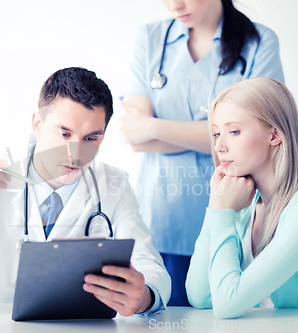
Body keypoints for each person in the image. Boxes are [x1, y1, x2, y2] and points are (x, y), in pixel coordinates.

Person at [0, 67, 171, 316]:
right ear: (37, 123)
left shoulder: (114, 184)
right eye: (64, 133)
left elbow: (149, 265)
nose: (76, 153)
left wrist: (144, 296)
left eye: (91, 138)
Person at [120, 0, 284, 306]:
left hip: (236, 211)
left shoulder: (259, 42)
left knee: (227, 313)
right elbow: (136, 138)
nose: (174, 5)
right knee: (165, 318)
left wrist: (153, 127)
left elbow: (262, 131)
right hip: (163, 214)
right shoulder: (149, 38)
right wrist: (227, 131)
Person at [185, 77, 298, 318]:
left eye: (234, 131)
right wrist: (216, 204)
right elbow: (199, 295)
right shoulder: (244, 202)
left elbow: (227, 304)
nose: (219, 146)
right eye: (216, 134)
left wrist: (223, 214)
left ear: (275, 135)